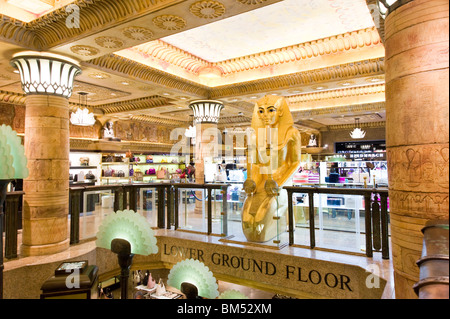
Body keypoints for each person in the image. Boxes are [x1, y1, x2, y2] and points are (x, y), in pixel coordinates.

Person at [242, 95, 301, 242]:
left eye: (270, 110)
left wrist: (279, 183)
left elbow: (295, 162)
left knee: (264, 214)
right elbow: (255, 163)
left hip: (281, 179)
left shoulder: (292, 133)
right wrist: (251, 180)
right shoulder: (258, 135)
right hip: (262, 180)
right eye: (261, 111)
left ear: (280, 112)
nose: (265, 116)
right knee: (248, 217)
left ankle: (284, 221)